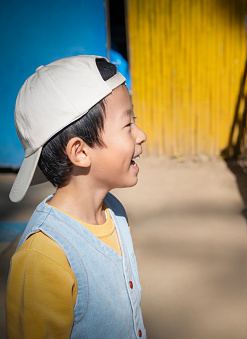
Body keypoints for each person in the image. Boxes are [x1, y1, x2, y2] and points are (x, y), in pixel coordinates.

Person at [6, 55, 147, 338]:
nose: (141, 135)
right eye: (127, 125)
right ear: (80, 152)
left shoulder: (114, 212)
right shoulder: (43, 257)